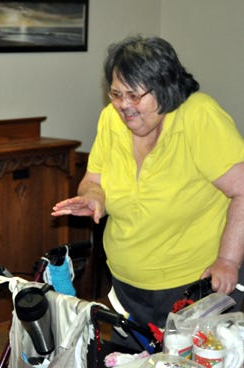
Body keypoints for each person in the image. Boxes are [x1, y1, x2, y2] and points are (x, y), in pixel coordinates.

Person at [52, 35, 244, 347]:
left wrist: (228, 260)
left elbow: (242, 190)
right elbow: (93, 180)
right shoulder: (111, 120)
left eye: (134, 95)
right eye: (115, 94)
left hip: (195, 285)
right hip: (128, 286)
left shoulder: (199, 116)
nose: (123, 105)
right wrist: (92, 197)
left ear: (166, 89)